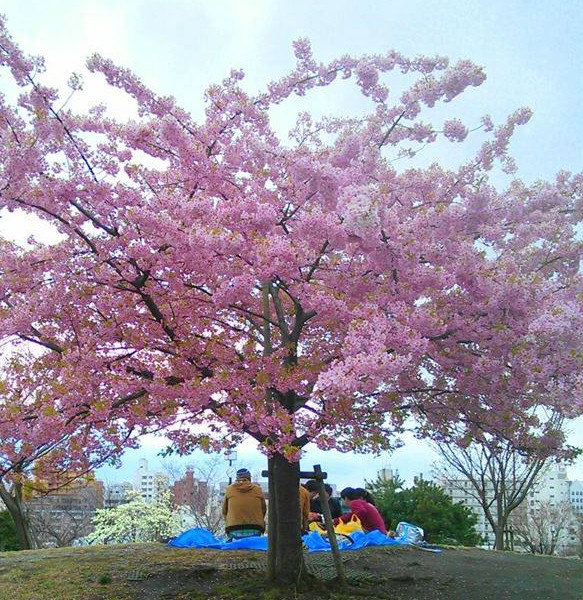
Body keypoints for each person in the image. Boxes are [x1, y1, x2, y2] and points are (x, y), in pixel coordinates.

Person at [222, 468, 266, 540]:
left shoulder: (229, 489)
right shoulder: (258, 489)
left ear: (237, 478)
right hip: (255, 529)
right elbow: (263, 510)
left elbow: (224, 511)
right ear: (249, 478)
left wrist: (230, 521)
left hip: (233, 530)